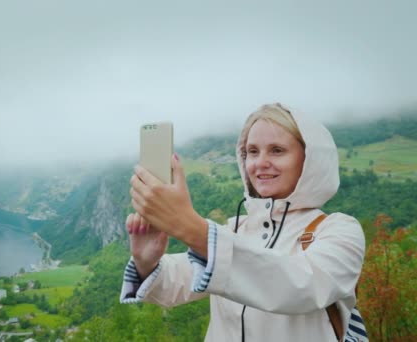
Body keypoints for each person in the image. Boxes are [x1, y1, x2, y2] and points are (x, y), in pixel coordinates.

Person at [121, 103, 367, 341]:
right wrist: (146, 261)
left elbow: (302, 286)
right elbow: (176, 285)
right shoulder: (235, 230)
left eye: (277, 150)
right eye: (252, 151)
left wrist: (191, 227)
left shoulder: (340, 231)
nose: (260, 163)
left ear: (310, 160)